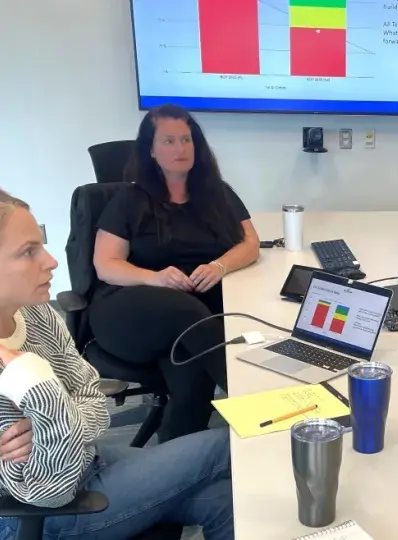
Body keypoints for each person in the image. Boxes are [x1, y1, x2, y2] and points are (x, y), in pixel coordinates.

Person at [0, 190, 233, 538]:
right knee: (230, 444)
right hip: (48, 511)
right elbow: (48, 491)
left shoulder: (35, 313)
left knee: (227, 500)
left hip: (90, 461)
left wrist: (59, 427)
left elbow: (92, 396)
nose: (51, 261)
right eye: (28, 252)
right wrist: (39, 387)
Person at [89, 104, 260, 442]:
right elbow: (105, 264)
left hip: (191, 322)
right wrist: (155, 278)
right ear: (150, 149)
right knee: (187, 311)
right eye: (168, 141)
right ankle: (260, 403)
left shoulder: (217, 194)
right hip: (128, 310)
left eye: (186, 140)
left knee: (190, 373)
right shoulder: (130, 200)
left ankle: (175, 458)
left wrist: (219, 266)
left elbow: (250, 243)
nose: (180, 149)